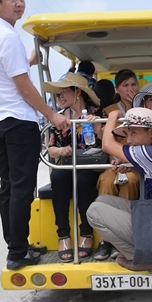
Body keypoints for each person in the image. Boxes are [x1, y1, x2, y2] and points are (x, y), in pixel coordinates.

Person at [0, 0, 69, 271]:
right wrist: (53, 114)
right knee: (22, 188)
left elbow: (8, 73)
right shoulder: (7, 37)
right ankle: (18, 252)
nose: (19, 3)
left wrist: (29, 61)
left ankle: (14, 247)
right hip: (18, 122)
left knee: (9, 186)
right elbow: (23, 88)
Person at [87, 107, 152, 272]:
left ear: (151, 133)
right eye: (127, 134)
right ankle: (146, 252)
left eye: (133, 133)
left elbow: (107, 145)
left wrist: (113, 115)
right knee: (102, 201)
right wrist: (131, 168)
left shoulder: (149, 152)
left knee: (93, 212)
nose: (128, 140)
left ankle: (144, 259)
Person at [42, 73, 102, 262]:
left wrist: (98, 126)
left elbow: (107, 141)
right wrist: (61, 151)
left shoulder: (98, 114)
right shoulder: (59, 118)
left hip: (92, 165)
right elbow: (50, 149)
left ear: (78, 92)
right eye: (58, 94)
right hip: (68, 165)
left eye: (63, 92)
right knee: (58, 178)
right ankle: (64, 235)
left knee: (83, 180)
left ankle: (86, 232)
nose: (59, 97)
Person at [93, 69, 141, 260]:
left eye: (133, 84)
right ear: (117, 89)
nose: (130, 88)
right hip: (115, 160)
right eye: (125, 85)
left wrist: (136, 105)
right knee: (106, 180)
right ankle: (106, 239)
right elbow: (106, 138)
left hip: (136, 161)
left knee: (129, 181)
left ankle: (123, 237)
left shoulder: (144, 107)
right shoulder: (111, 110)